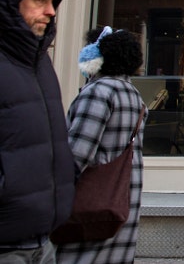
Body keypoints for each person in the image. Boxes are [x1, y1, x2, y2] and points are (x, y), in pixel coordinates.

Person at [0, 0, 80, 263]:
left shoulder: (39, 61)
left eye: (53, 2)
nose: (50, 11)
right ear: (9, 2)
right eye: (40, 1)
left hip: (43, 239)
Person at [57, 27, 148, 264]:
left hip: (89, 207)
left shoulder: (98, 92)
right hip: (119, 204)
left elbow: (76, 154)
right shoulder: (133, 95)